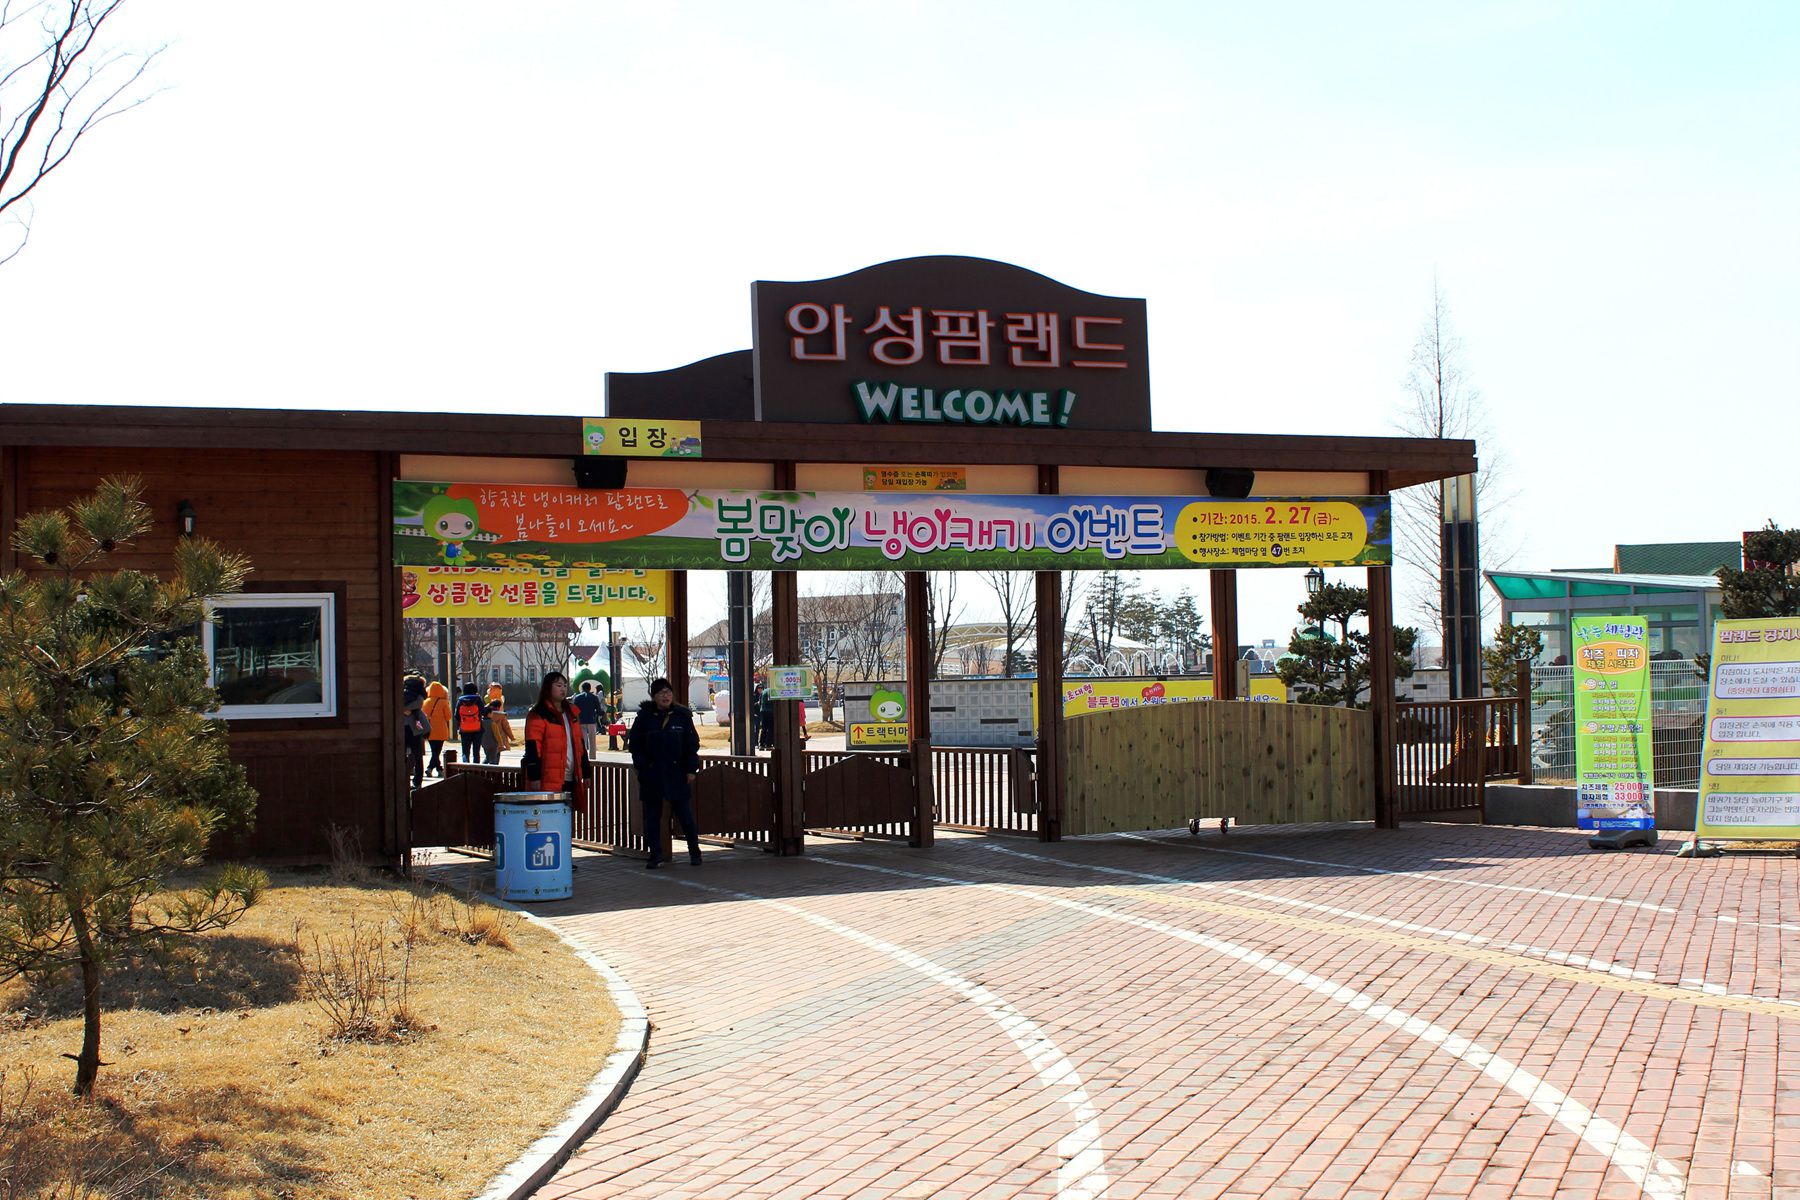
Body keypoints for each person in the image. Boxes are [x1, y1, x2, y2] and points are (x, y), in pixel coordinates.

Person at [628, 677, 701, 869]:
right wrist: (643, 767)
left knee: (685, 816)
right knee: (653, 817)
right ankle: (655, 855)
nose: (665, 696)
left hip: (678, 773)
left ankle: (695, 852)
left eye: (668, 692)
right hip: (653, 774)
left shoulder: (682, 716)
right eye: (661, 693)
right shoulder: (644, 718)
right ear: (653, 696)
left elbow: (692, 745)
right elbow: (635, 745)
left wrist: (691, 769)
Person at [522, 670, 588, 824]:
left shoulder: (571, 713)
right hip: (548, 777)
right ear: (548, 687)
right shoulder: (538, 714)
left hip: (571, 776)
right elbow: (532, 747)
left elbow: (580, 744)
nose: (563, 689)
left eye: (565, 685)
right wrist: (535, 776)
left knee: (566, 819)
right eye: (558, 685)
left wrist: (586, 771)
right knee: (548, 819)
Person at [402, 673, 428, 789]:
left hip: (402, 725)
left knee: (401, 754)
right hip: (416, 725)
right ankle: (417, 782)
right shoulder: (418, 691)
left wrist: (402, 709)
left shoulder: (402, 690)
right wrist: (409, 709)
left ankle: (403, 780)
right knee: (418, 754)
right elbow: (419, 703)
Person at [422, 679, 452, 777]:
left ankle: (439, 769)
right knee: (437, 751)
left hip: (429, 729)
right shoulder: (443, 702)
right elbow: (448, 716)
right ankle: (430, 768)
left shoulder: (425, 702)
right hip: (440, 730)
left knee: (434, 750)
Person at [454, 680, 485, 766]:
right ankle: (476, 768)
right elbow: (483, 712)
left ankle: (465, 767)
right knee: (476, 752)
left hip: (464, 729)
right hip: (477, 729)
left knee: (465, 751)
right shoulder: (478, 699)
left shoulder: (460, 700)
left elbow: (456, 715)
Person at [570, 680, 602, 761]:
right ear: (590, 688)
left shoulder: (577, 697)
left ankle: (583, 757)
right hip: (591, 721)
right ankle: (592, 757)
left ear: (582, 688)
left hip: (581, 721)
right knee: (592, 740)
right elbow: (599, 710)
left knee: (583, 740)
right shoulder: (594, 697)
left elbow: (574, 710)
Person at [753, 680, 774, 751]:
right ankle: (768, 744)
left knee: (763, 728)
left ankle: (761, 744)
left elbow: (760, 702)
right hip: (770, 711)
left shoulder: (764, 692)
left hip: (763, 711)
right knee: (770, 728)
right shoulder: (773, 691)